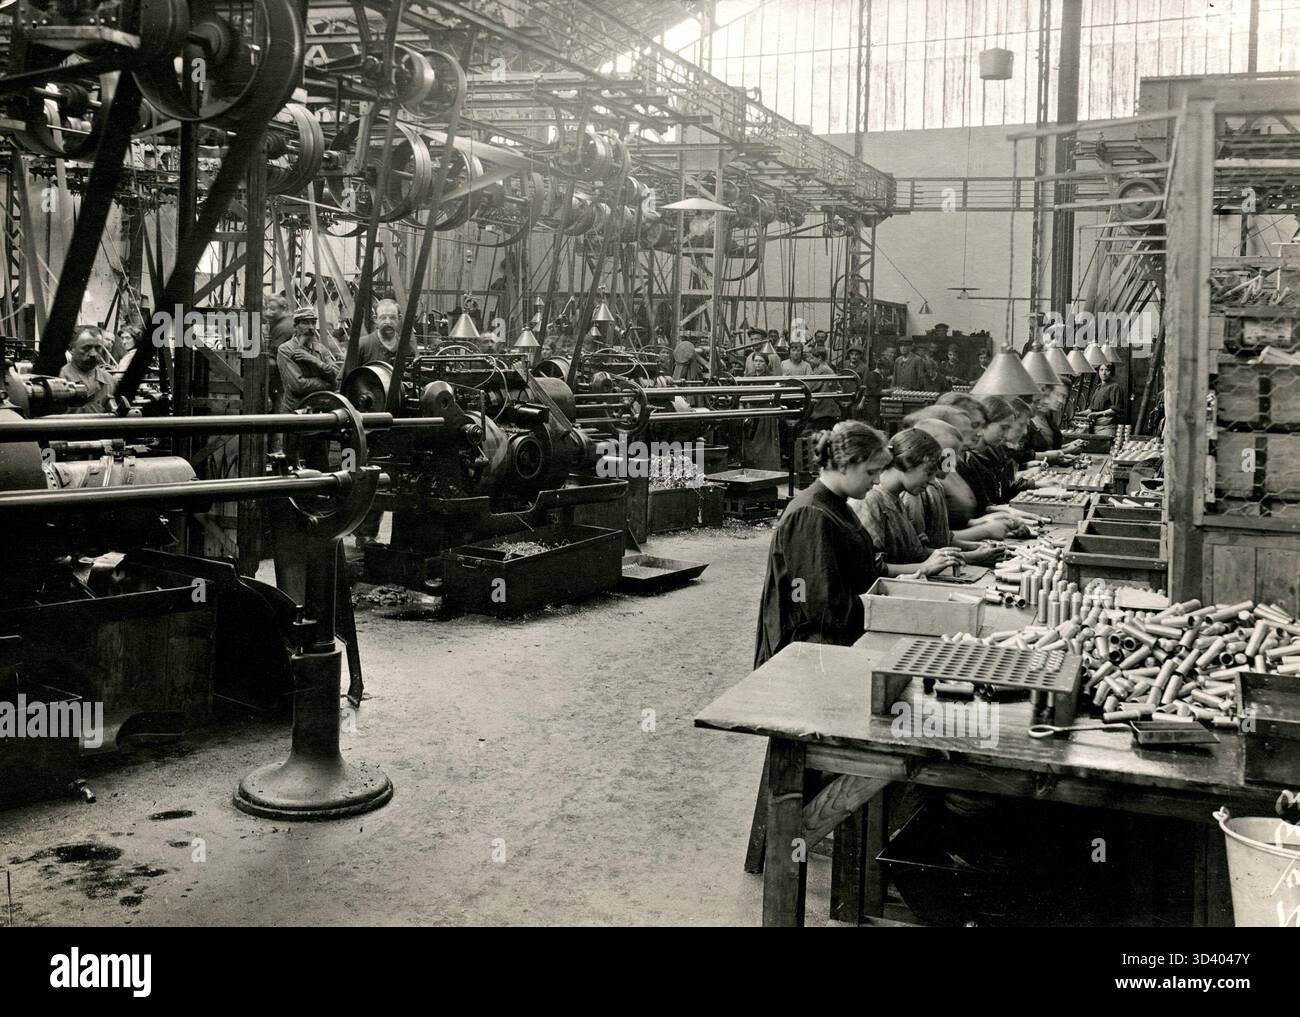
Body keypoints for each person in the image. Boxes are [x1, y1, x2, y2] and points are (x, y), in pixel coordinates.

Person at [753, 421, 892, 669]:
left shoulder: (838, 505)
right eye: (871, 472)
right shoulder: (811, 513)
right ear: (843, 465)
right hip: (804, 649)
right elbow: (822, 606)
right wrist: (882, 608)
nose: (878, 481)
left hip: (831, 637)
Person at [850, 428, 967, 574]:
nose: (932, 480)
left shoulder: (896, 499)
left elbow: (914, 553)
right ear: (908, 464)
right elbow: (870, 568)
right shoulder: (870, 500)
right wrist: (924, 567)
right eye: (928, 472)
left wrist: (943, 557)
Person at [60, 326, 117, 414]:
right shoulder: (59, 379)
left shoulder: (110, 381)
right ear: (71, 349)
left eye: (98, 348)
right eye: (86, 348)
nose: (93, 354)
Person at [741, 350, 781, 470]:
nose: (758, 363)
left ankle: (765, 469)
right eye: (756, 361)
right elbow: (741, 394)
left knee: (764, 443)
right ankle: (751, 467)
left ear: (766, 364)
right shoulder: (749, 377)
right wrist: (743, 408)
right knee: (750, 440)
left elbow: (776, 396)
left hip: (765, 412)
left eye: (761, 361)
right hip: (751, 411)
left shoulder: (771, 378)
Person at [358, 298, 408, 366]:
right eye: (383, 318)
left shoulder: (407, 347)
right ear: (375, 319)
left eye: (392, 317)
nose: (388, 322)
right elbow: (346, 375)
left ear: (399, 318)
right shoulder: (362, 345)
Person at [805, 346, 841, 432]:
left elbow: (811, 386)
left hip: (824, 410)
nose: (809, 360)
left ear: (820, 358)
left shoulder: (823, 369)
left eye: (812, 358)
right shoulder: (822, 368)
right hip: (823, 408)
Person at [1086, 362, 1125, 437]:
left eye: (1107, 370)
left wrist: (1098, 414)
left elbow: (1116, 409)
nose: (1104, 373)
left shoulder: (1115, 387)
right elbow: (1091, 410)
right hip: (1094, 426)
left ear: (1112, 372)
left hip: (1106, 427)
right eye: (1101, 370)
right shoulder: (1099, 387)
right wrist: (1076, 414)